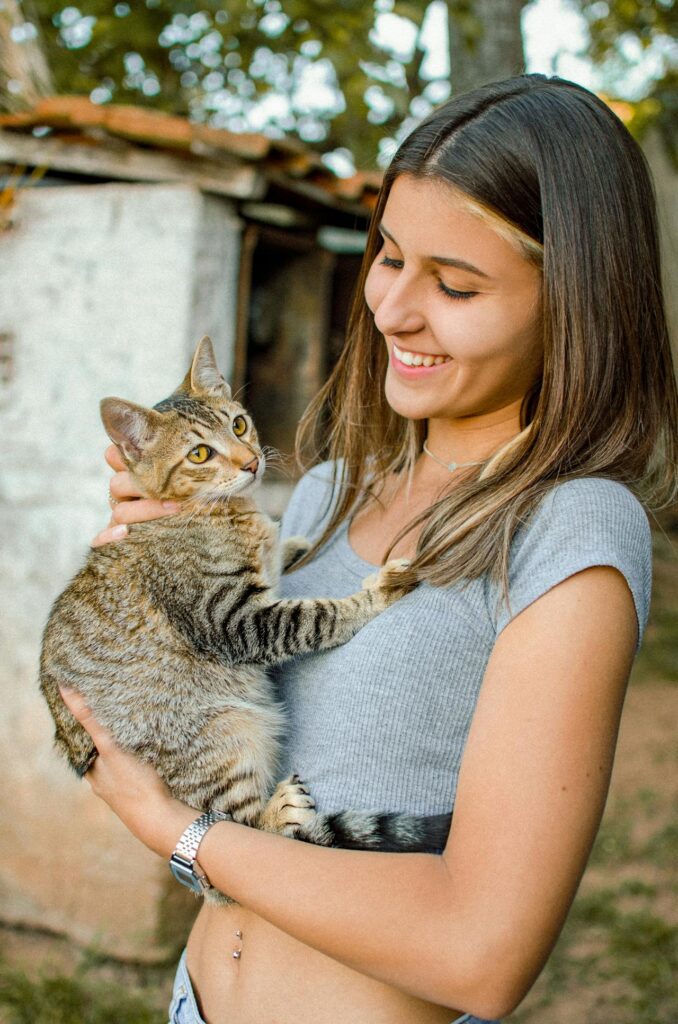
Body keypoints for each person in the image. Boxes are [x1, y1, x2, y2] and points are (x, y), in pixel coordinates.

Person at [61, 74, 678, 1024]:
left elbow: (482, 953)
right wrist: (151, 587)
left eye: (456, 284)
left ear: (577, 302)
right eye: (388, 257)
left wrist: (179, 836)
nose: (392, 309)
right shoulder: (332, 486)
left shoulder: (573, 529)